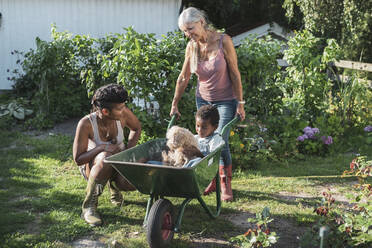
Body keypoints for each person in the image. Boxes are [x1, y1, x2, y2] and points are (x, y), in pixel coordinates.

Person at [170, 7, 246, 201]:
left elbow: (235, 74)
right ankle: (210, 179)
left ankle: (224, 182)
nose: (188, 34)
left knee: (220, 140)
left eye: (190, 29)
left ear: (201, 22)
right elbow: (184, 77)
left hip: (226, 100)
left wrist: (240, 103)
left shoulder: (223, 41)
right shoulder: (192, 47)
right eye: (184, 31)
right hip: (203, 99)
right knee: (204, 139)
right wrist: (175, 103)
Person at [73, 84, 141, 226]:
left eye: (124, 106)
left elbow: (136, 128)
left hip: (118, 160)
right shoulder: (86, 124)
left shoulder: (122, 114)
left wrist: (128, 150)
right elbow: (78, 159)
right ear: (105, 111)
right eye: (120, 108)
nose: (124, 111)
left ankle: (114, 187)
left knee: (128, 184)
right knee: (105, 157)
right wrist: (101, 148)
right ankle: (89, 207)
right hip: (94, 167)